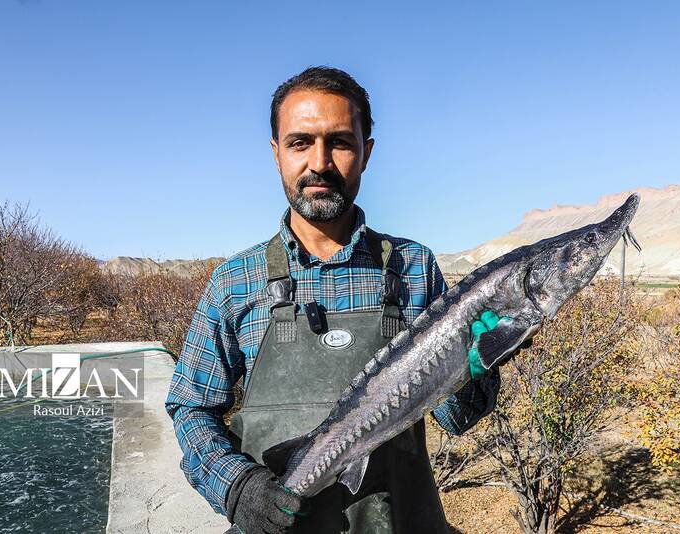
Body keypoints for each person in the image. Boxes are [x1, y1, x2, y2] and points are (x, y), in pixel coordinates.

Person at [165, 66, 511, 534]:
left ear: (367, 153)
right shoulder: (235, 281)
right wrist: (237, 486)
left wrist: (480, 363)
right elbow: (191, 407)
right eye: (300, 142)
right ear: (276, 153)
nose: (320, 162)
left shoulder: (412, 267)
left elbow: (456, 417)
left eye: (340, 142)